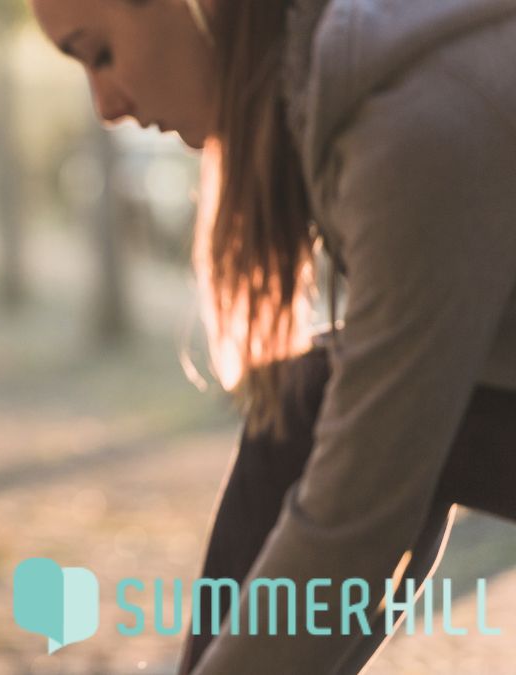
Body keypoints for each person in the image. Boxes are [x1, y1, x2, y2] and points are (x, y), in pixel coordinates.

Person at [29, 0, 516, 672]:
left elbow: (358, 510)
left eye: (102, 53)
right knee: (311, 400)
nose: (106, 106)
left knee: (330, 421)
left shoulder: (417, 120)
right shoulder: (368, 87)